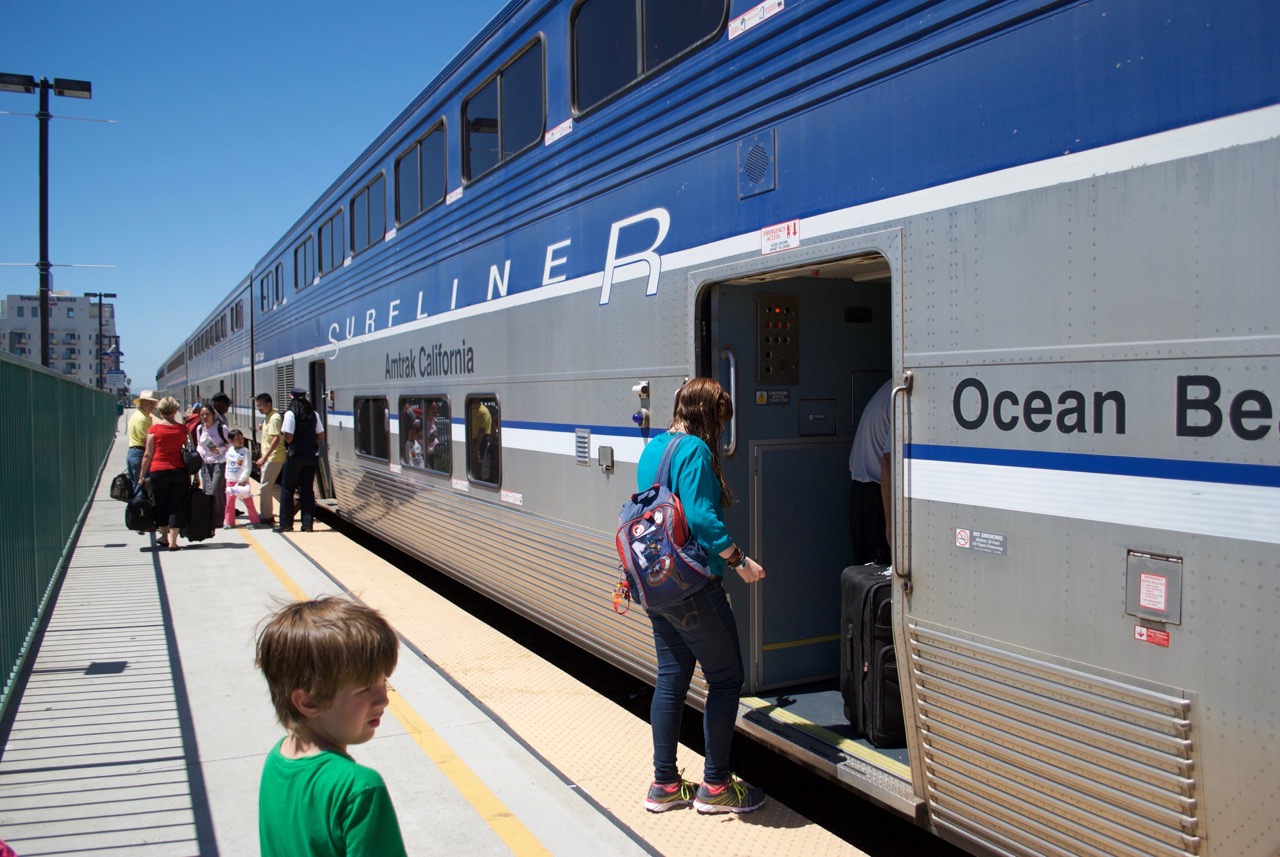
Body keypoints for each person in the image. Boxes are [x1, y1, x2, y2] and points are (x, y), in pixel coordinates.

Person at [637, 377, 768, 815]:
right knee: (727, 678)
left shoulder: (653, 448)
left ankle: (665, 784)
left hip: (657, 584)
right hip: (693, 585)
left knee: (672, 676)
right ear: (707, 415)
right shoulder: (695, 450)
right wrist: (739, 561)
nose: (720, 432)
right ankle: (715, 787)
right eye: (720, 422)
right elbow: (700, 516)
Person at [255, 596, 406, 857]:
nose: (384, 699)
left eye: (384, 683)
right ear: (309, 701)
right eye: (365, 689)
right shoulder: (359, 788)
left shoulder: (277, 759)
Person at [849, 379, 893, 566]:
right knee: (878, 570)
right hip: (876, 494)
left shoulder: (891, 388)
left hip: (864, 492)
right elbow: (889, 462)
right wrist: (891, 526)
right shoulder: (901, 396)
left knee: (868, 568)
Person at [137, 396, 190, 551]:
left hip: (158, 471)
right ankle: (174, 541)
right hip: (179, 470)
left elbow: (148, 454)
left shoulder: (153, 430)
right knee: (177, 505)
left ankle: (164, 537)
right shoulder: (182, 429)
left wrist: (141, 476)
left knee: (161, 504)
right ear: (175, 410)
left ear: (160, 411)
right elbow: (189, 452)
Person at [276, 387, 325, 533]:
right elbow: (321, 435)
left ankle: (286, 524)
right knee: (307, 490)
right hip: (311, 455)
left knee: (287, 488)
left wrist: (287, 437)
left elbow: (289, 437)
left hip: (295, 455)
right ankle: (307, 525)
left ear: (291, 397)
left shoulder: (291, 414)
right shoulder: (314, 414)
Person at [196, 403, 231, 527]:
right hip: (205, 463)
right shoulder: (200, 429)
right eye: (202, 415)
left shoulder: (222, 428)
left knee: (216, 489)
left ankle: (219, 518)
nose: (205, 417)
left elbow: (231, 444)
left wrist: (219, 449)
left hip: (219, 462)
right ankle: (211, 516)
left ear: (213, 415)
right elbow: (200, 444)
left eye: (207, 414)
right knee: (208, 491)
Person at [255, 393, 285, 526]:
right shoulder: (269, 416)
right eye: (257, 406)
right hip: (271, 456)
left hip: (273, 457)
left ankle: (266, 516)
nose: (259, 408)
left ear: (269, 404)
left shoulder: (274, 418)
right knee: (271, 486)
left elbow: (276, 439)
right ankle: (292, 504)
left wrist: (264, 458)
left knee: (264, 487)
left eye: (260, 405)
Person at [223, 429, 261, 528]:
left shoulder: (245, 451)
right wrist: (226, 477)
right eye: (237, 439)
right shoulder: (229, 450)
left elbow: (247, 467)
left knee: (248, 502)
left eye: (241, 438)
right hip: (230, 481)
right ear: (231, 441)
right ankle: (229, 522)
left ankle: (255, 521)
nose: (240, 441)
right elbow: (227, 463)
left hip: (242, 483)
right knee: (229, 504)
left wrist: (242, 479)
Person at [126, 390, 159, 495]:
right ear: (142, 402)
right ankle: (140, 510)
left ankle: (138, 509)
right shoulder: (141, 419)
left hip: (136, 453)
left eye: (153, 403)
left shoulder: (143, 416)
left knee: (140, 485)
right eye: (149, 402)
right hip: (140, 454)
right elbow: (145, 441)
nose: (152, 405)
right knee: (142, 487)